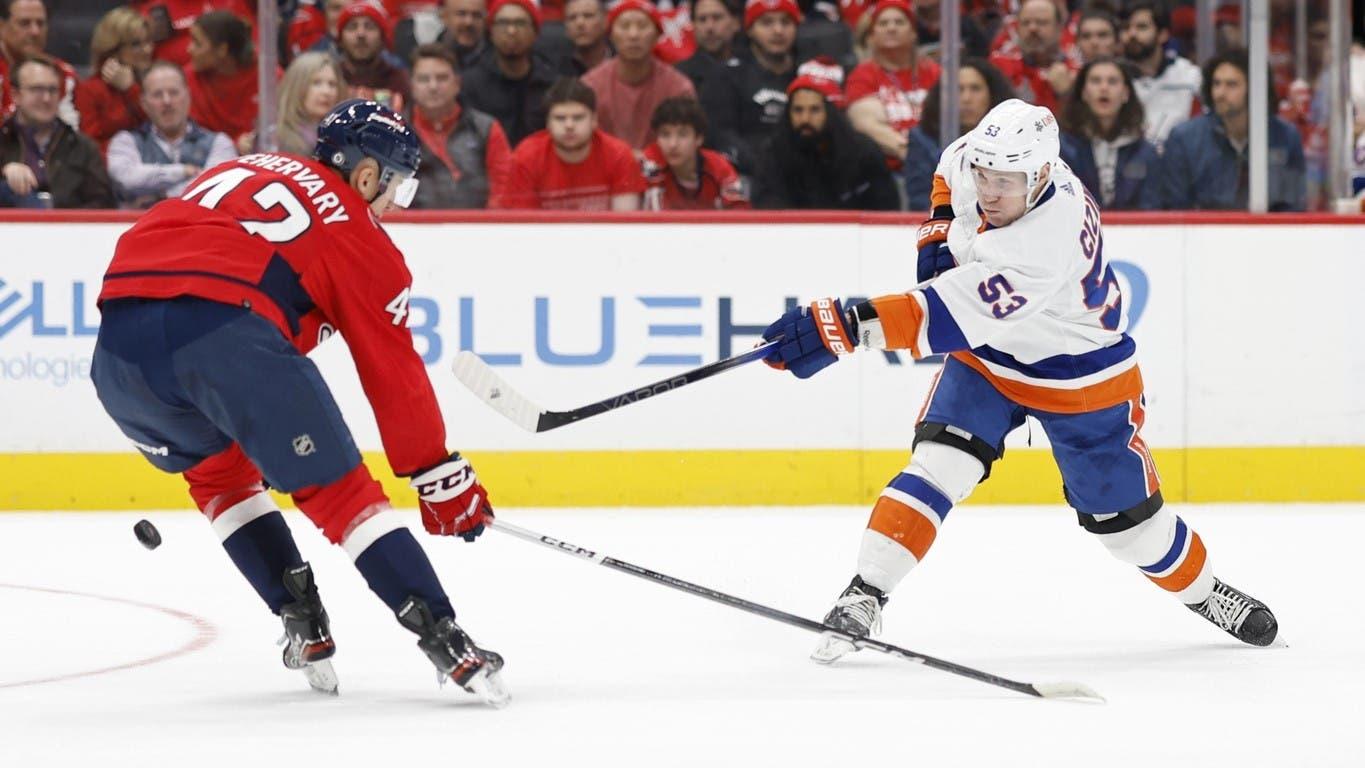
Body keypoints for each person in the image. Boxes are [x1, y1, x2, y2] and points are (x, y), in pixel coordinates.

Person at [756, 99, 1279, 666]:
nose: (988, 192)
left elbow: (939, 316)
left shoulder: (1041, 243)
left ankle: (1206, 594)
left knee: (1131, 531)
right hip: (992, 360)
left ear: (1042, 176)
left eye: (1005, 182)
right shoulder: (979, 160)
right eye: (984, 176)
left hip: (1081, 376)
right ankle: (865, 592)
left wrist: (839, 328)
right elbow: (948, 171)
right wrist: (936, 234)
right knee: (939, 464)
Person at [91, 99, 509, 706]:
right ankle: (445, 637)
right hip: (223, 333)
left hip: (118, 353)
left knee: (219, 478)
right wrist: (435, 473)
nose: (396, 205)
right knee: (343, 497)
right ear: (367, 175)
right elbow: (390, 369)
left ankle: (303, 624)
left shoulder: (254, 164)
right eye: (398, 187)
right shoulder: (357, 229)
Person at [1157, 48, 1305, 211]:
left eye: (1231, 85)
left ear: (1255, 88)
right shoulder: (1184, 139)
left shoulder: (1285, 136)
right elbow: (1175, 210)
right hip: (1203, 233)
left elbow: (1294, 206)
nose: (1220, 93)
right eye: (1216, 84)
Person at [752, 69, 897, 210]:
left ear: (831, 112)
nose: (805, 119)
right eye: (798, 110)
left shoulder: (863, 153)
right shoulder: (774, 153)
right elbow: (767, 206)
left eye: (814, 110)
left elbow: (885, 209)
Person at [495, 77, 644, 209]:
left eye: (578, 118)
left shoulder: (619, 155)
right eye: (560, 118)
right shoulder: (526, 157)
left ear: (594, 121)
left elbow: (625, 226)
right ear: (548, 123)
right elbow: (523, 229)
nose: (569, 126)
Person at [108, 61, 236, 208]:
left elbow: (214, 187)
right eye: (157, 94)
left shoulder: (220, 143)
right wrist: (183, 171)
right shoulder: (124, 142)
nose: (167, 101)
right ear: (143, 103)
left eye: (174, 93)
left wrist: (159, 197)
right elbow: (127, 179)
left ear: (188, 96)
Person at [0, 56, 114, 207]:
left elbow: (102, 204)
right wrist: (3, 172)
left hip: (71, 228)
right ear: (16, 95)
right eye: (37, 89)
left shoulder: (84, 148)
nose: (47, 98)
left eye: (53, 90)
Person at [581, 0, 694, 150]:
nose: (633, 35)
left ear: (657, 35)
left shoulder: (678, 88)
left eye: (642, 26)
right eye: (624, 26)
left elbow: (684, 143)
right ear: (611, 35)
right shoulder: (590, 86)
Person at [407, 43, 510, 207]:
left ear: (457, 83)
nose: (433, 87)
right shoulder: (392, 130)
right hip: (411, 229)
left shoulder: (486, 128)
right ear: (412, 86)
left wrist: (491, 227)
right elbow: (386, 196)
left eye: (441, 78)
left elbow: (503, 190)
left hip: (478, 227)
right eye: (423, 79)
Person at [903, 57, 1012, 210]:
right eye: (958, 90)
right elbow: (920, 200)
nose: (966, 98)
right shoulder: (922, 140)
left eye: (975, 89)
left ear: (992, 94)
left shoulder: (1014, 138)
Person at [844, 0, 940, 168]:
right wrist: (912, 153)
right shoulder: (862, 75)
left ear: (913, 33)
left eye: (899, 22)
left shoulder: (933, 71)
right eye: (883, 23)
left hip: (939, 159)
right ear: (872, 35)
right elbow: (869, 126)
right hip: (891, 169)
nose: (891, 28)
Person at [1058, 58, 1159, 210]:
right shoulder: (1063, 149)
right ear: (1084, 93)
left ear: (1126, 94)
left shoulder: (1146, 153)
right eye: (1096, 81)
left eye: (1112, 82)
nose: (1104, 88)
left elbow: (1152, 208)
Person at [460, 0, 559, 146]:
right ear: (491, 32)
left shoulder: (552, 85)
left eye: (520, 23)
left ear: (535, 32)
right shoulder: (469, 84)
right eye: (503, 23)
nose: (511, 31)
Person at [1119, 0, 1200, 148]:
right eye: (1126, 27)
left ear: (1163, 34)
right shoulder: (1113, 79)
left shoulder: (1190, 77)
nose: (1132, 34)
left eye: (1141, 27)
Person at [642, 95, 747, 209]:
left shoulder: (719, 167)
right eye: (665, 135)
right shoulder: (649, 163)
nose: (672, 144)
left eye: (682, 135)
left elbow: (741, 215)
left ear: (699, 138)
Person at [75, 7, 155, 155]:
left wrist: (131, 89)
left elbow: (162, 129)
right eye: (136, 44)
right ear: (112, 48)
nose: (147, 50)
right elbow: (90, 148)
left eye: (149, 41)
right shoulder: (90, 90)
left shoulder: (153, 80)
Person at [183, 10, 264, 152]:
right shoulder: (187, 79)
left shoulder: (267, 75)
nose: (189, 49)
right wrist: (234, 145)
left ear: (222, 49)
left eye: (197, 43)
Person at [988, 0, 1076, 113]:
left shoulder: (1076, 72)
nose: (1032, 28)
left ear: (1059, 28)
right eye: (1025, 23)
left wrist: (1067, 93)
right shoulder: (999, 67)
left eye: (1041, 22)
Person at [0, 0, 78, 126]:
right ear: (2, 26)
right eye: (24, 23)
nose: (35, 32)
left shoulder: (63, 74)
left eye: (40, 24)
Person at [131, 0, 254, 67]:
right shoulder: (154, 12)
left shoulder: (232, 2)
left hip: (226, 80)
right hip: (173, 88)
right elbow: (141, 59)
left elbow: (253, 45)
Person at [336, 3, 410, 110]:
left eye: (369, 27)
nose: (361, 34)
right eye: (352, 27)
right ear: (340, 40)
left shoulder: (398, 79)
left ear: (382, 38)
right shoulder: (331, 77)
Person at [276, 52, 347, 156]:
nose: (326, 92)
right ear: (296, 87)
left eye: (332, 84)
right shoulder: (276, 138)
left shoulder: (342, 137)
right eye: (316, 83)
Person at [561, 0, 609, 76]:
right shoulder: (556, 71)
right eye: (572, 18)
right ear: (566, 27)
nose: (580, 23)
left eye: (588, 16)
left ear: (605, 21)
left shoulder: (624, 61)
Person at [438, 0, 489, 68]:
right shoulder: (426, 61)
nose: (469, 22)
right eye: (461, 14)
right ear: (444, 17)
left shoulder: (501, 64)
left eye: (476, 15)